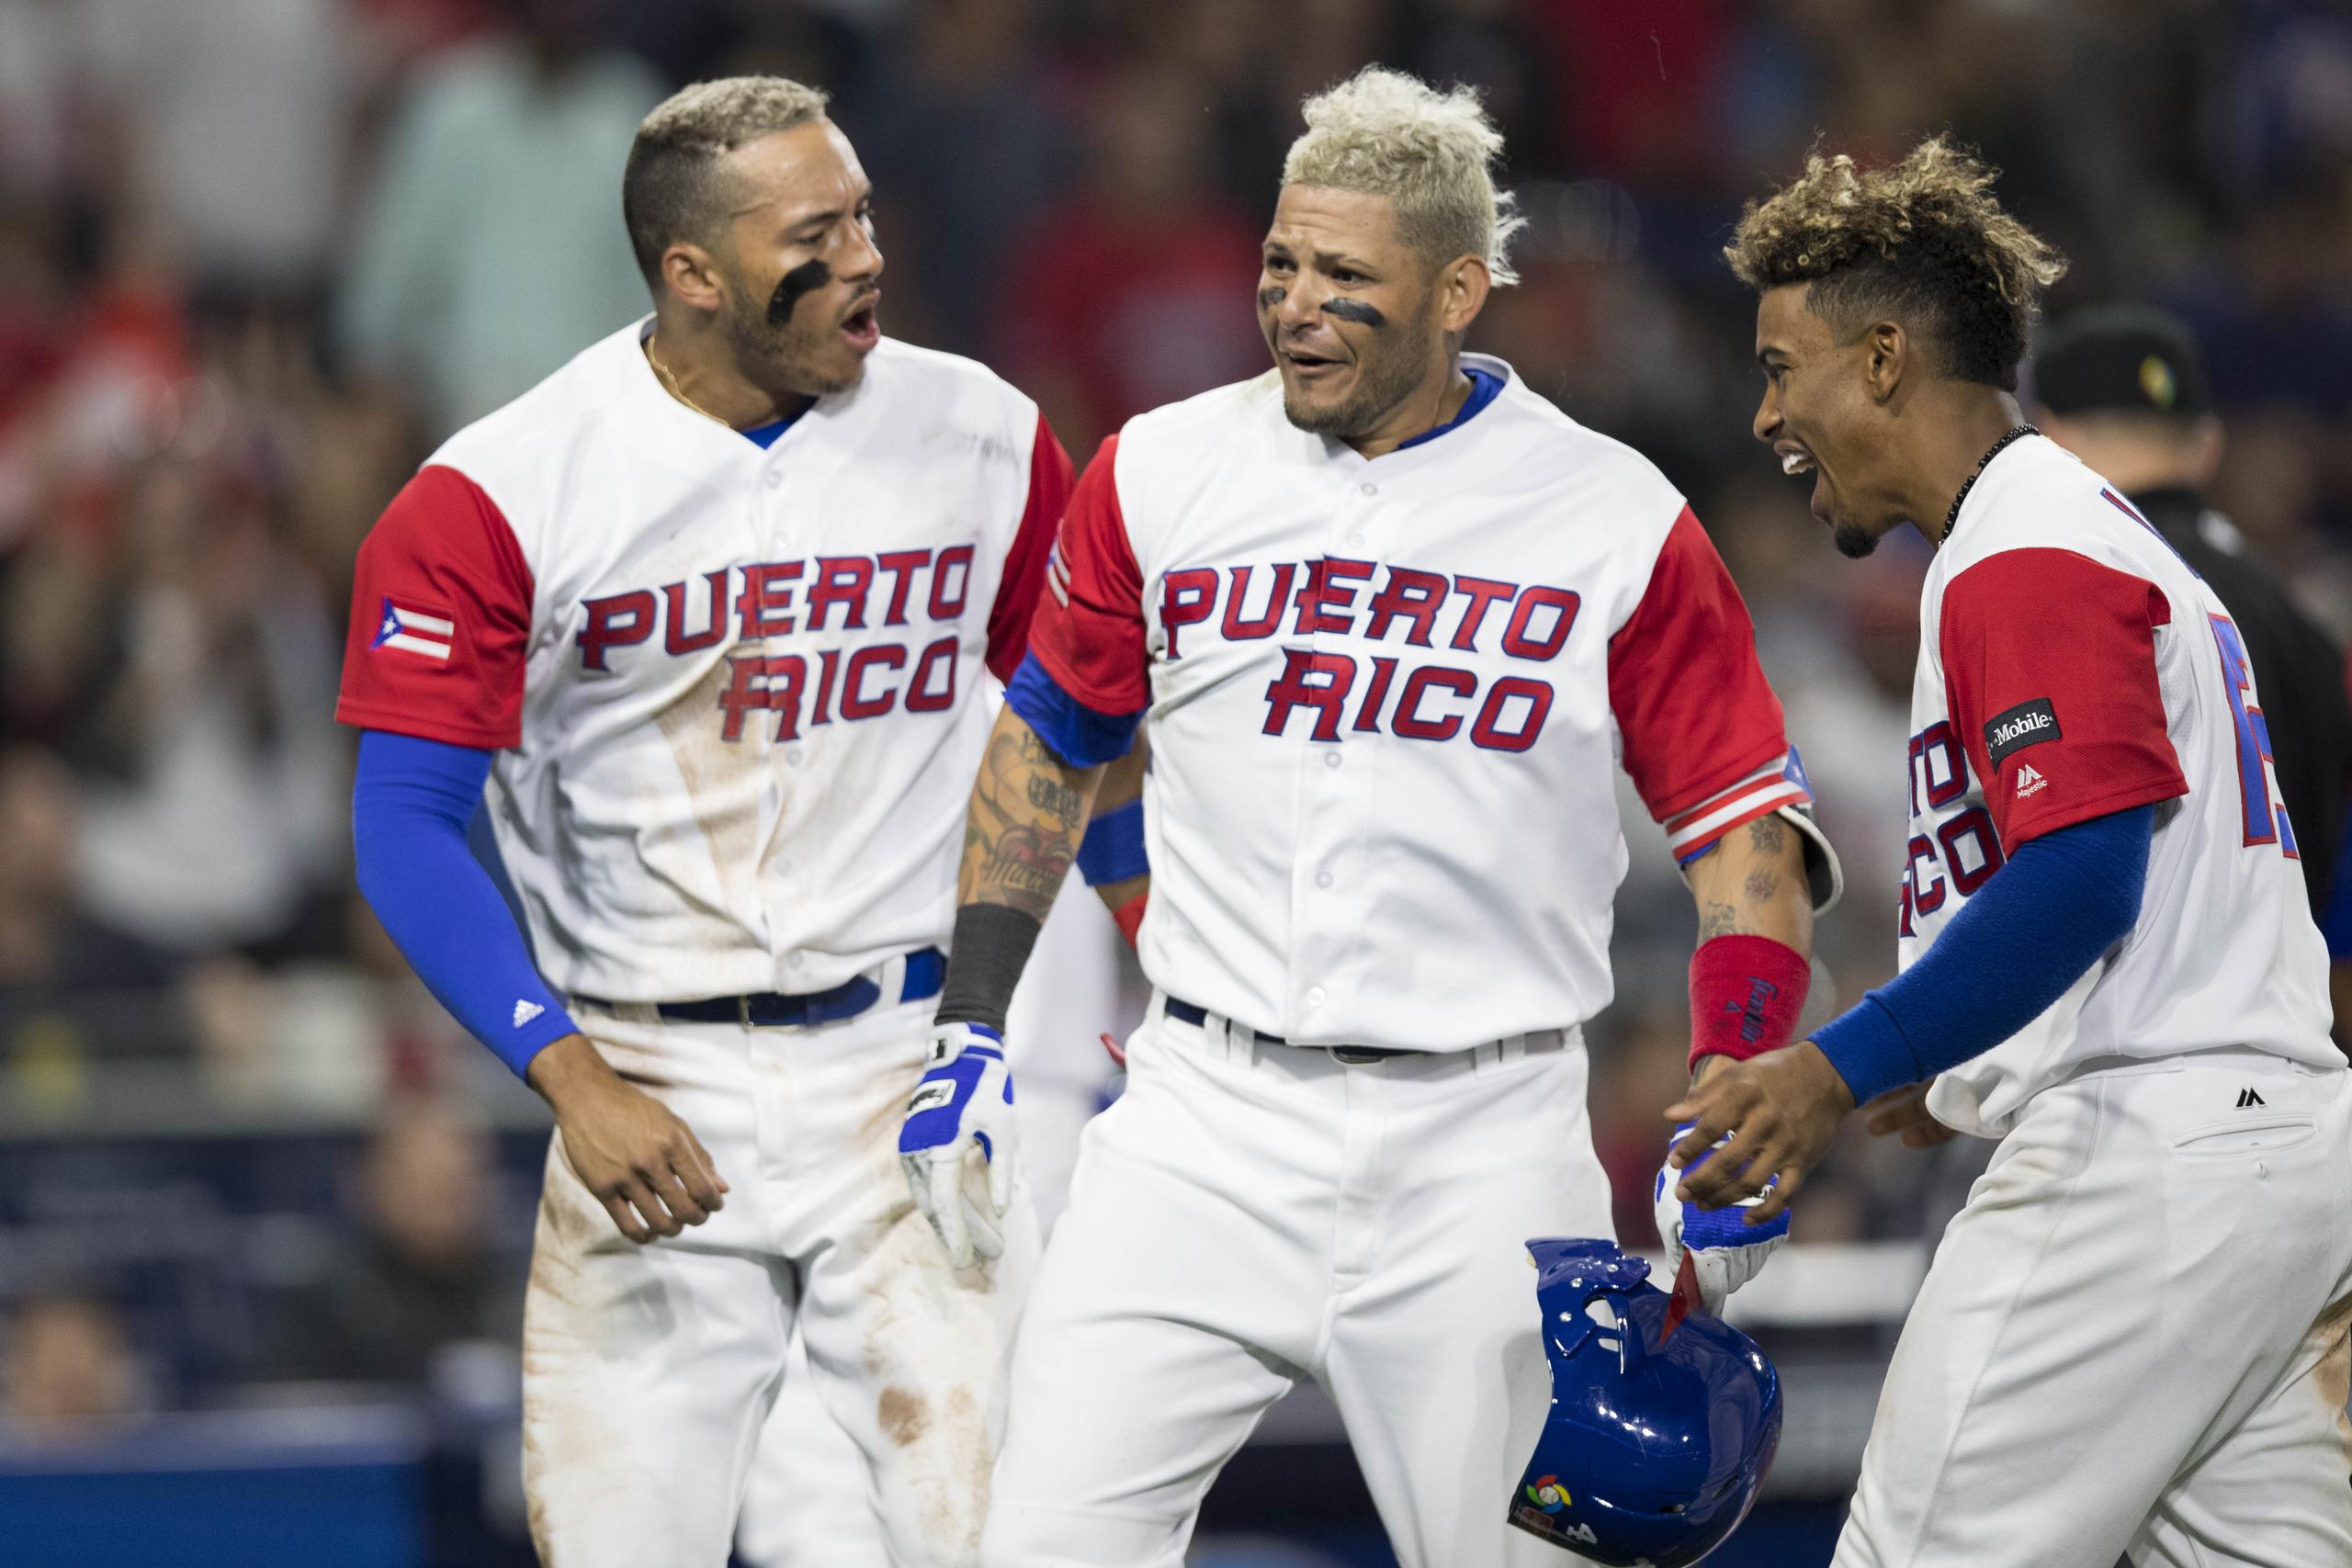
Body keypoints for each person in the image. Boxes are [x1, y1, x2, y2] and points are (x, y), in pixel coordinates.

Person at [928, 67, 1838, 1568]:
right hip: (1198, 1128)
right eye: (1281, 264)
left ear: (1458, 289)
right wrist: (969, 1024)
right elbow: (1050, 751)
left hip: (1480, 1142)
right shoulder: (1159, 466)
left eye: (1346, 276)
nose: (1294, 303)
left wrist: (1735, 1076)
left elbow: (1743, 836)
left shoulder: (1610, 514)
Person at [335, 75, 1125, 1568]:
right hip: (645, 1082)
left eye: (868, 214)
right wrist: (567, 1076)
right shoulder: (497, 491)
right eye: (816, 234)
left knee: (996, 1540)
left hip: (907, 1076)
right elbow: (404, 827)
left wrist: (1152, 963)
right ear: (693, 274)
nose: (868, 257)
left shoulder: (984, 437)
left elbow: (1084, 737)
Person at [1681, 137, 2352, 1567]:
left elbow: (2083, 870)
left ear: (1879, 361)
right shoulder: (2071, 531)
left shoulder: (2025, 549)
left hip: (2149, 1162)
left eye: (1780, 365)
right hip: (2269, 1153)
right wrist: (1970, 1051)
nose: (1763, 412)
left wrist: (1834, 1063)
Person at [2032, 305, 2352, 924]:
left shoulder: (2076, 593)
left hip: (2138, 1007)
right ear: (2208, 446)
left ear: (2049, 441)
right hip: (2293, 999)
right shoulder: (2294, 616)